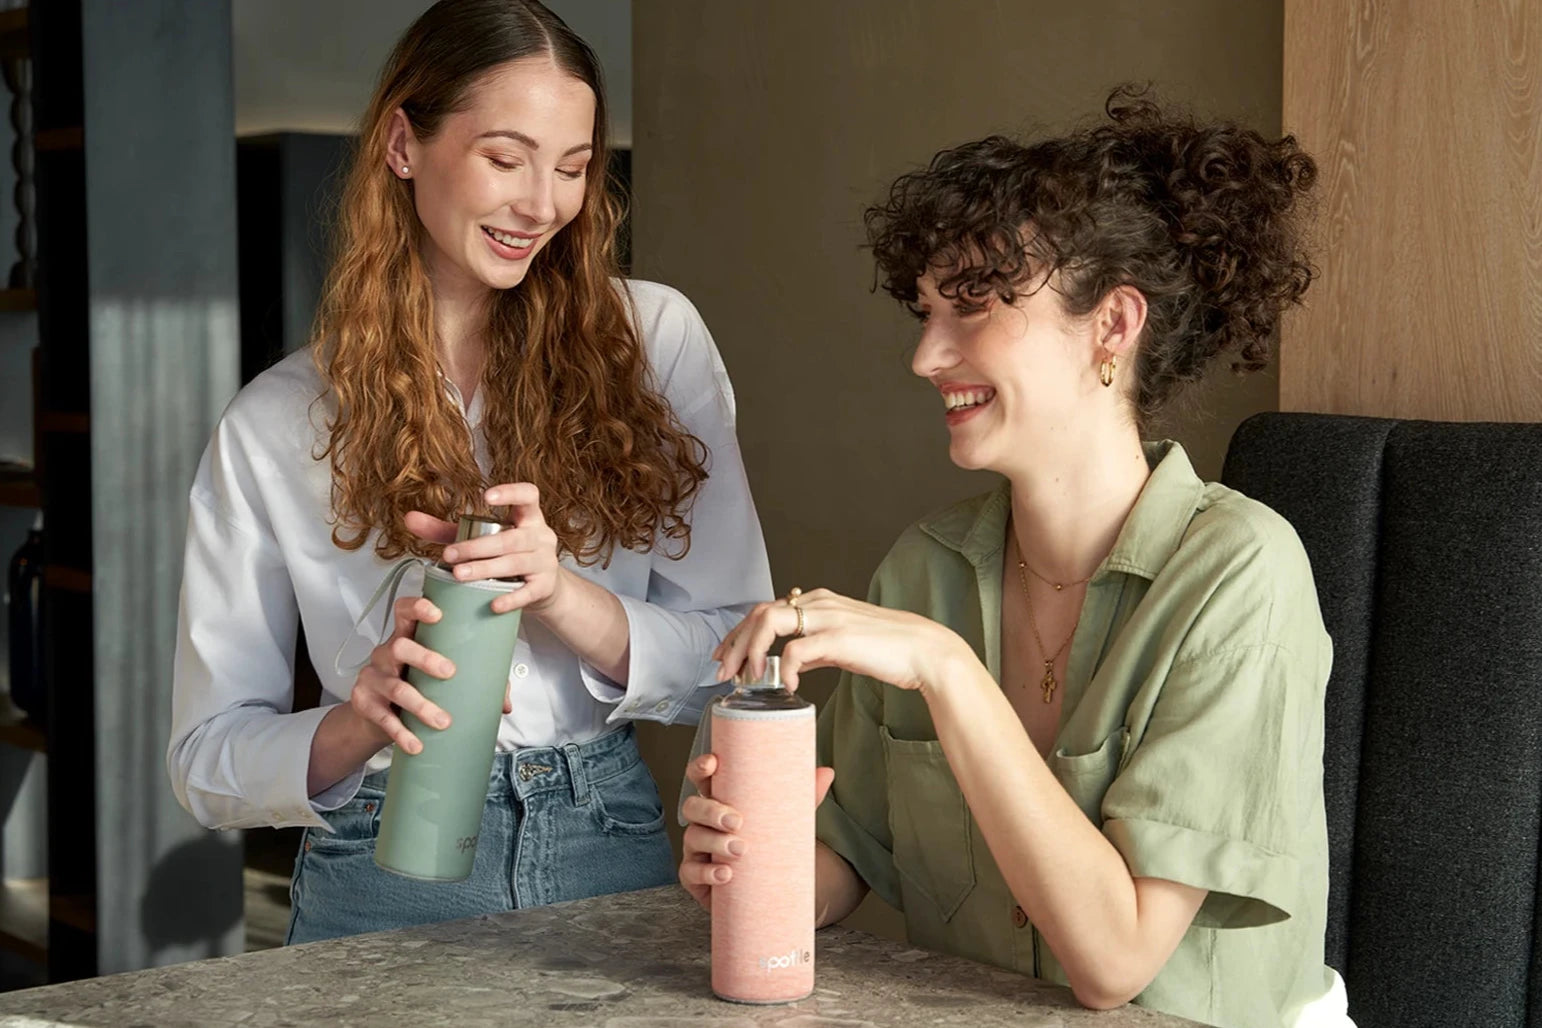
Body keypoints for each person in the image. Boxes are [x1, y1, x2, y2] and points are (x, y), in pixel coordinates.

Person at [681, 89, 1352, 1028]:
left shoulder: (1243, 575)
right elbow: (835, 873)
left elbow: (1114, 962)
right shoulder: (925, 572)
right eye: (924, 311)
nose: (924, 356)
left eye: (973, 306)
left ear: (1114, 327)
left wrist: (948, 671)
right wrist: (747, 860)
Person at [168, 0, 771, 945]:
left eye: (572, 168)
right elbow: (205, 762)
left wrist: (564, 596)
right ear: (404, 143)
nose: (543, 204)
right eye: (505, 157)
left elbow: (743, 653)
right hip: (378, 857)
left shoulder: (653, 342)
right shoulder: (277, 419)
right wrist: (357, 722)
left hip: (605, 836)